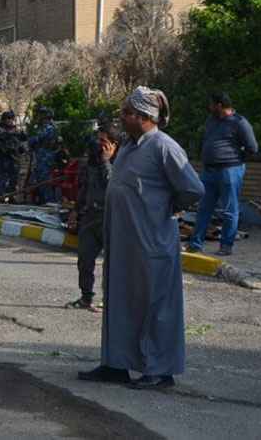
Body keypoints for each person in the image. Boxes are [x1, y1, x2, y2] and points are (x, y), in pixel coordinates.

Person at [78, 87, 204, 391]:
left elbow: (193, 189)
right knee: (120, 301)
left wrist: (167, 208)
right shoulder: (130, 147)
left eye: (128, 113)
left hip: (152, 242)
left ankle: (161, 371)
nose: (122, 118)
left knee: (156, 304)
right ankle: (116, 364)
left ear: (146, 116)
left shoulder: (164, 147)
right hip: (123, 243)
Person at [188, 92, 258, 256]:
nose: (209, 107)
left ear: (219, 105)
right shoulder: (211, 120)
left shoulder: (239, 123)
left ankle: (226, 246)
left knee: (229, 210)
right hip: (209, 171)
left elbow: (252, 148)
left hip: (230, 171)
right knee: (203, 208)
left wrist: (235, 158)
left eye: (211, 104)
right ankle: (195, 244)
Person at [68, 119, 119, 311]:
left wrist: (106, 161)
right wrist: (75, 210)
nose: (99, 144)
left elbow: (112, 187)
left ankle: (110, 301)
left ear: (114, 144)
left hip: (110, 219)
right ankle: (85, 297)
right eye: (98, 140)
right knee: (84, 260)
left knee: (112, 265)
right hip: (90, 217)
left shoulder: (121, 163)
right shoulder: (91, 163)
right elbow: (84, 189)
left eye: (104, 141)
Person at [29, 108, 62, 205]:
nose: (39, 117)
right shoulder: (42, 127)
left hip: (46, 157)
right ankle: (43, 200)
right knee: (39, 179)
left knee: (45, 180)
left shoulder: (49, 128)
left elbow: (37, 138)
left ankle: (49, 202)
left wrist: (30, 140)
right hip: (41, 156)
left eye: (41, 115)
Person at [0, 112, 27, 202]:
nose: (10, 121)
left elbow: (22, 139)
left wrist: (22, 140)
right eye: (8, 118)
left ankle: (12, 196)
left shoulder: (16, 130)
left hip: (14, 158)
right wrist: (10, 135)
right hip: (3, 158)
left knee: (14, 179)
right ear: (4, 120)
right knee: (3, 178)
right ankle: (1, 197)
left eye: (11, 118)